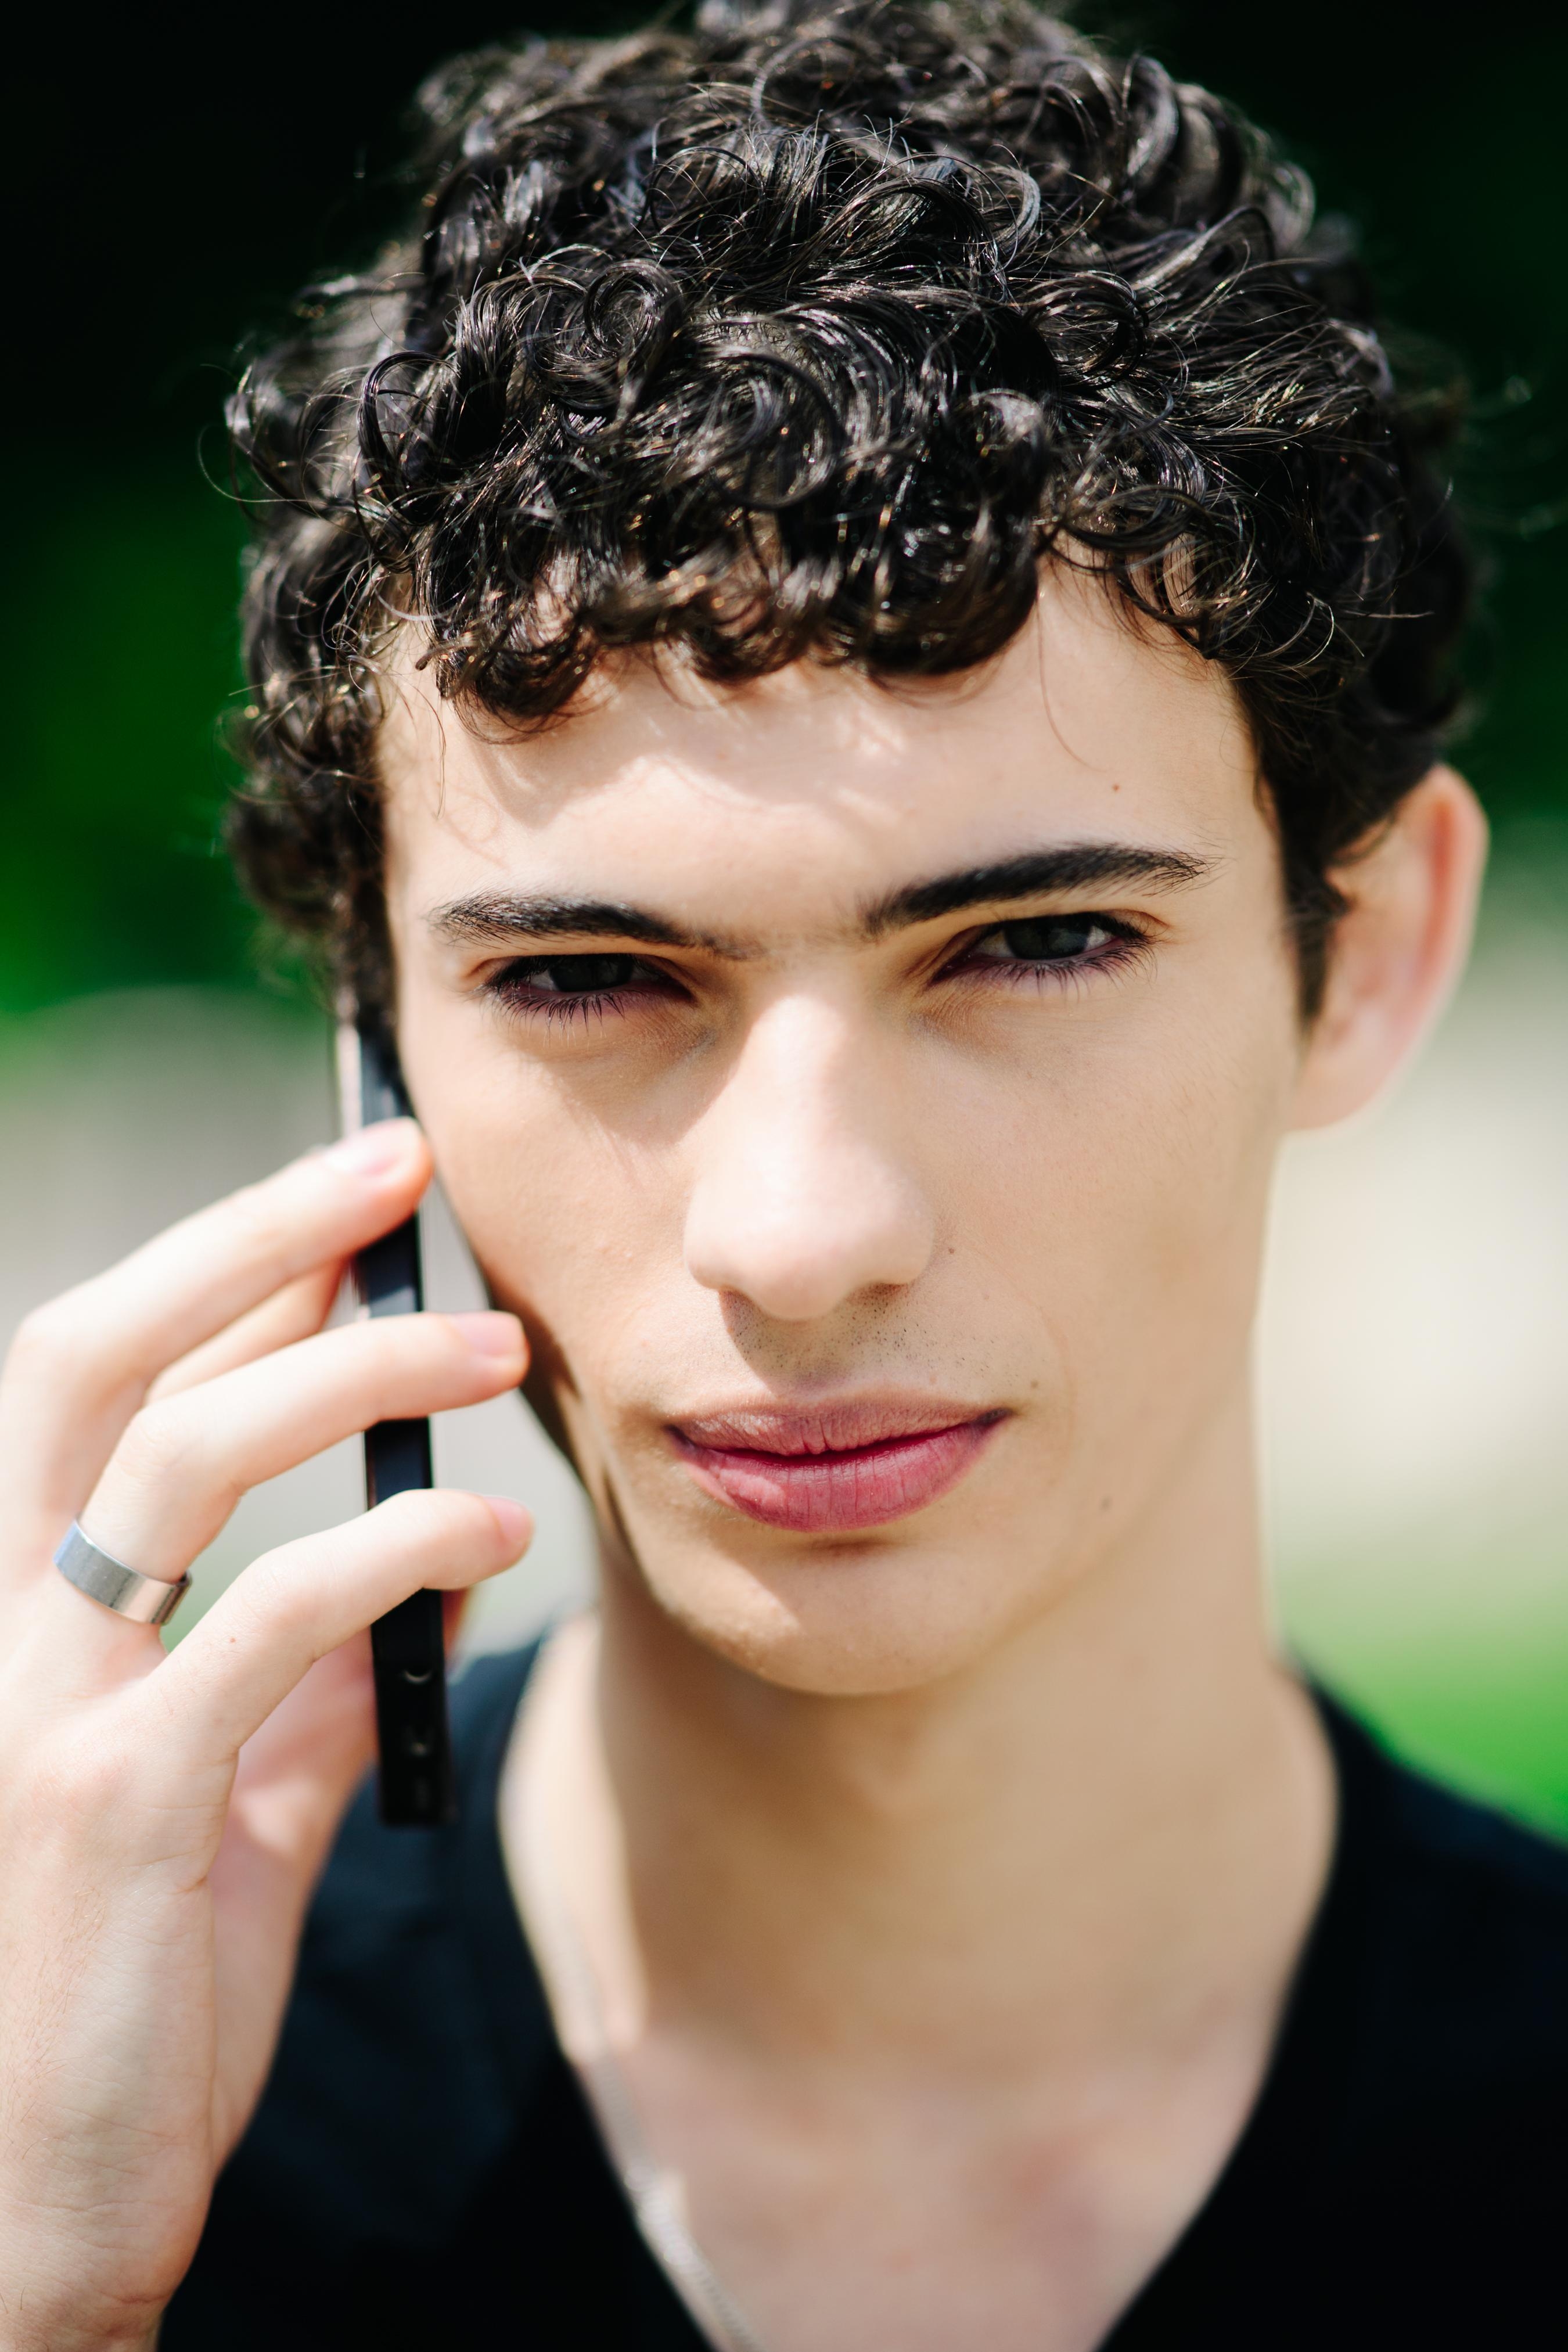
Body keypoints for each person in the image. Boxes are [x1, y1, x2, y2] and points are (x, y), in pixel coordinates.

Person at [2, 3, 1563, 2346]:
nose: (805, 1231)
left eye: (1035, 942)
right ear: (369, 1025)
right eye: (593, 977)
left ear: (1370, 952)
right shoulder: (114, 2118)